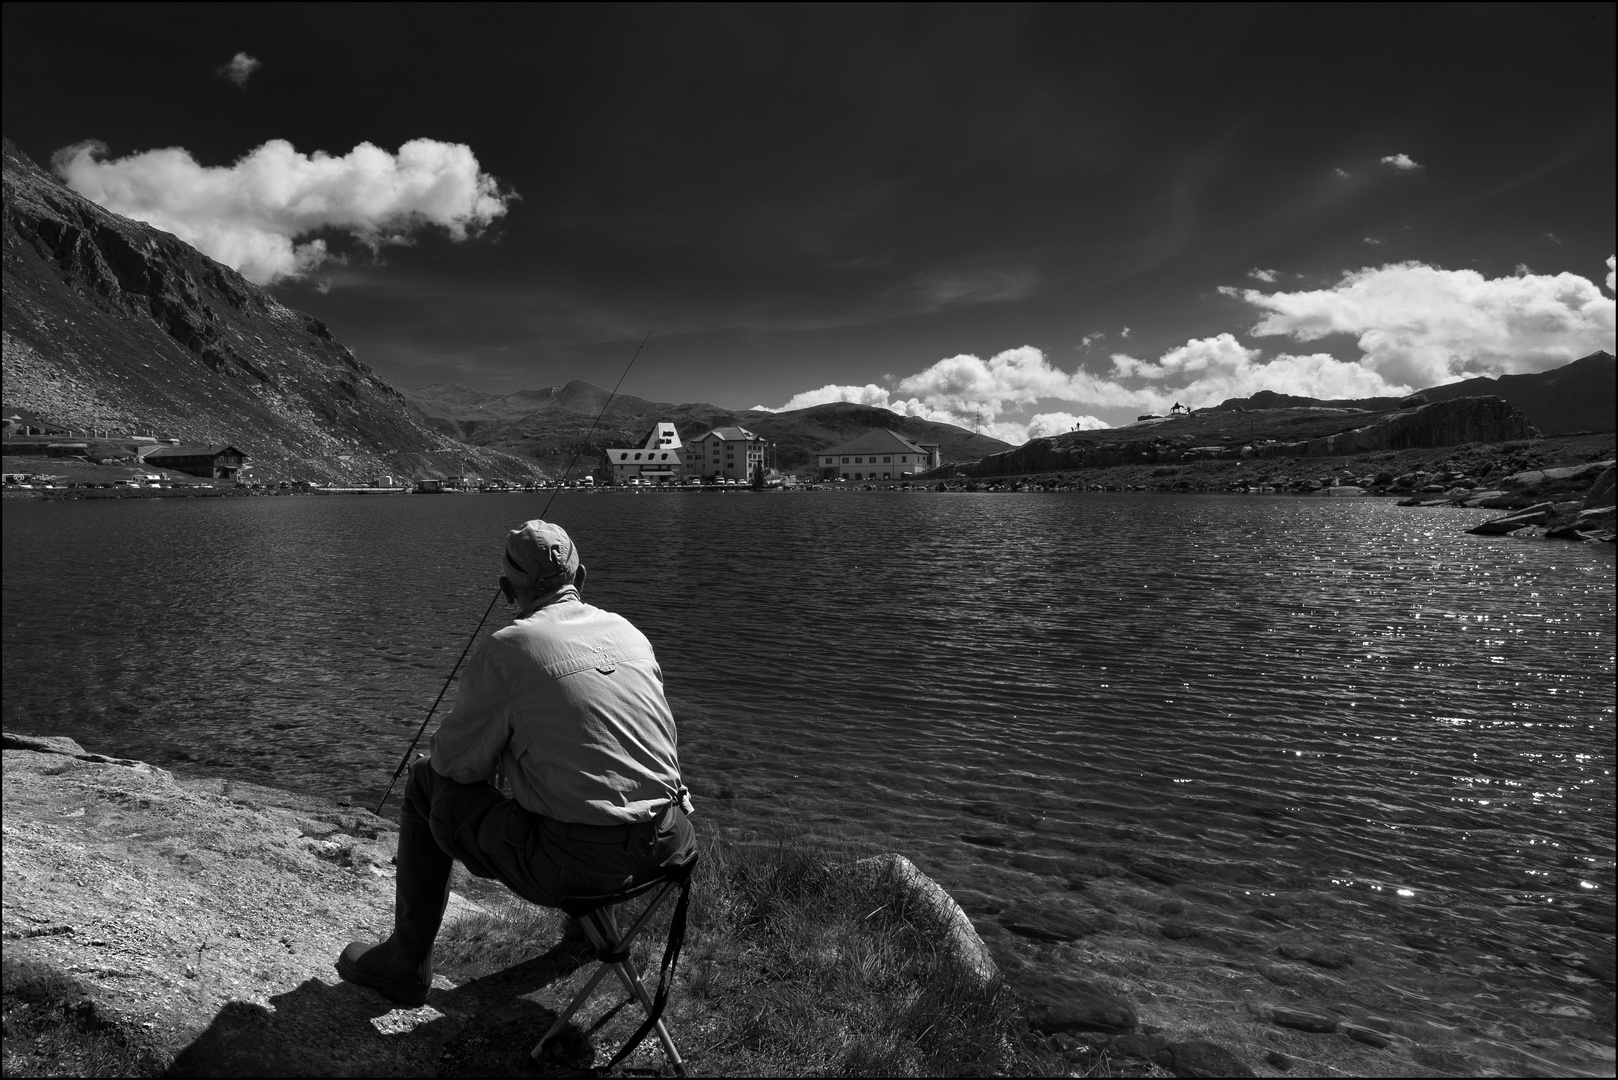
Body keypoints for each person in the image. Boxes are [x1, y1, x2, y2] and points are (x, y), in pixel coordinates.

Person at [338, 519, 696, 1006]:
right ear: (582, 578)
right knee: (580, 785)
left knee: (425, 779)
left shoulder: (508, 648)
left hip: (582, 867)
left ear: (507, 590)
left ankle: (404, 964)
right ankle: (590, 935)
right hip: (671, 845)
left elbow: (456, 766)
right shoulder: (630, 633)